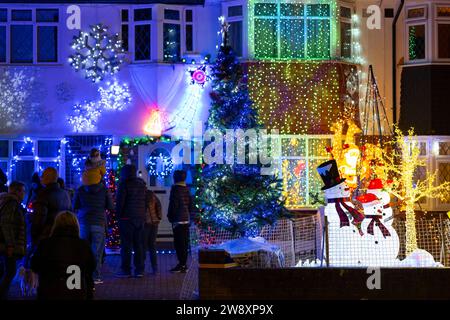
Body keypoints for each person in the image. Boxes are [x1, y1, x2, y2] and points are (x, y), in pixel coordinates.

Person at [30, 211, 96, 300]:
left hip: (50, 291)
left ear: (56, 225)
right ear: (76, 226)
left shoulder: (45, 244)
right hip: (75, 291)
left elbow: (34, 265)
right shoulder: (83, 245)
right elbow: (91, 266)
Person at [73, 177, 113, 284]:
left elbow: (74, 205)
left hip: (83, 222)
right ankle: (96, 276)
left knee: (82, 250)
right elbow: (110, 206)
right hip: (98, 222)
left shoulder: (81, 189)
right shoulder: (104, 189)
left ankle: (81, 276)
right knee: (97, 252)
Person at [115, 164, 147, 278]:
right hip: (139, 218)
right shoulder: (142, 185)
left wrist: (118, 216)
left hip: (126, 218)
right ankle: (140, 269)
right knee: (138, 245)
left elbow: (120, 202)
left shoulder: (124, 185)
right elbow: (145, 201)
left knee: (126, 246)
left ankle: (126, 270)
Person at [30, 167, 72, 247]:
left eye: (42, 176)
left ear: (47, 178)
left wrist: (35, 236)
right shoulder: (65, 194)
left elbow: (39, 218)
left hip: (47, 236)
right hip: (63, 234)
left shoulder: (43, 194)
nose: (41, 178)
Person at [0, 181, 26, 299]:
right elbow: (7, 224)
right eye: (23, 191)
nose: (24, 194)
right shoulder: (12, 203)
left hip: (4, 243)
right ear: (17, 191)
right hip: (7, 245)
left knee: (7, 270)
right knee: (10, 271)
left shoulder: (6, 201)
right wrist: (10, 245)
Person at [168, 170, 193, 273]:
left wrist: (171, 217)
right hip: (186, 220)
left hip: (178, 220)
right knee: (184, 243)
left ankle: (181, 265)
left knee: (179, 243)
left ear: (175, 178)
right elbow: (190, 204)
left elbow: (173, 205)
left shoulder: (175, 189)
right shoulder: (187, 189)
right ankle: (183, 264)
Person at [144, 189, 162, 275]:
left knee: (143, 246)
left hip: (146, 223)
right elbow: (159, 205)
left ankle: (142, 268)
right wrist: (158, 217)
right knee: (152, 246)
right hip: (154, 222)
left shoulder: (140, 196)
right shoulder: (151, 194)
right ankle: (154, 268)